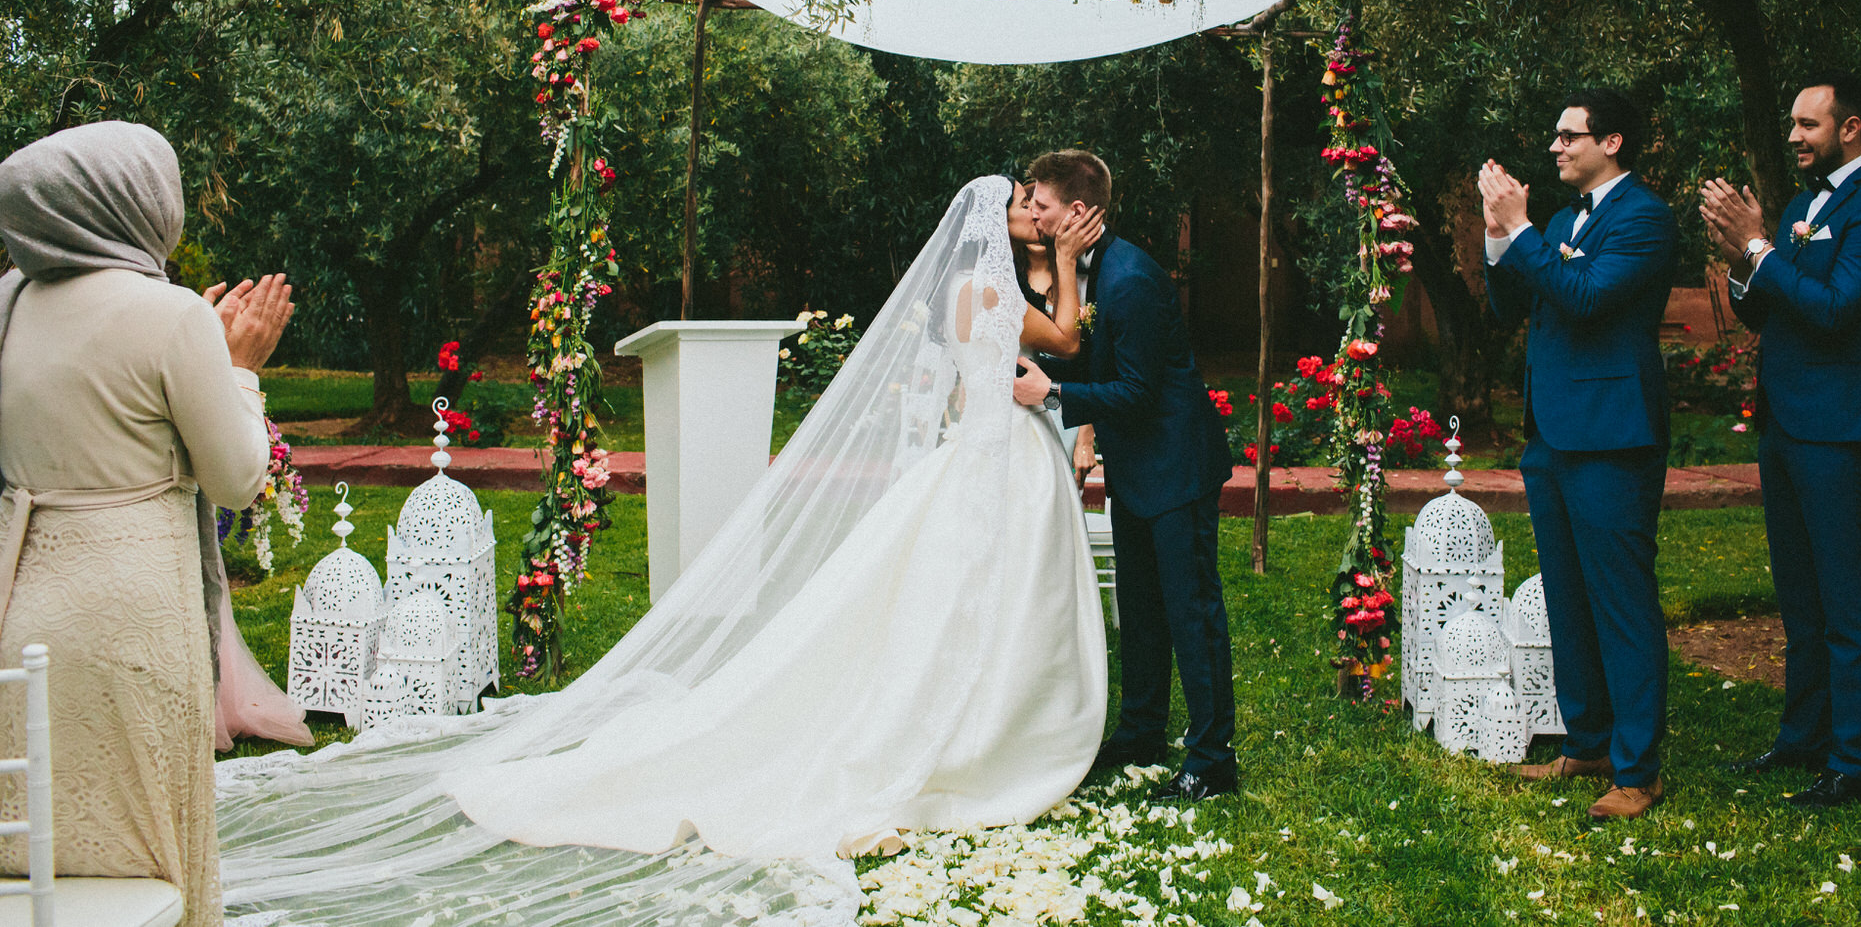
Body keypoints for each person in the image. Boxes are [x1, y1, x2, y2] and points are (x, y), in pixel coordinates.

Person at [214, 175, 1107, 926]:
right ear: (994, 225)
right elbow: (1067, 337)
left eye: (1040, 203)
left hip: (973, 453)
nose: (1035, 211)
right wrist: (1068, 262)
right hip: (991, 456)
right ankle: (983, 727)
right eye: (1024, 204)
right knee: (968, 589)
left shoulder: (969, 292)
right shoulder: (998, 294)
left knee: (954, 592)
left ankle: (980, 710)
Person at [0, 121, 294, 927]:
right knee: (151, 846)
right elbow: (236, 477)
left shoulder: (9, 306)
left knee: (38, 845)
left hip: (21, 606)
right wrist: (236, 368)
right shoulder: (171, 315)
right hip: (134, 621)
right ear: (133, 204)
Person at [1701, 72, 1861, 807]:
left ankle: (1853, 761)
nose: (1793, 136)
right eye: (1792, 123)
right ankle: (1802, 737)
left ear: (1850, 128)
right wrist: (1742, 262)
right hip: (1784, 421)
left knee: (1847, 600)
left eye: (1808, 124)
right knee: (1799, 598)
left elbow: (1835, 309)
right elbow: (1771, 311)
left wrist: (1759, 244)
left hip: (1839, 428)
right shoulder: (1800, 207)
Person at [1013, 149, 1238, 803]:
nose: (1034, 214)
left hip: (1176, 467)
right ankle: (1141, 731)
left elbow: (1137, 391)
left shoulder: (1131, 277)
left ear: (1077, 211)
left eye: (1042, 204)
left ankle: (1212, 759)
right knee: (1140, 609)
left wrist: (1054, 394)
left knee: (1191, 612)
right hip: (1139, 469)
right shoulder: (1089, 268)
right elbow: (1094, 357)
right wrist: (1050, 372)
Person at [1478, 90, 1677, 822]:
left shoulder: (1645, 218)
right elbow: (1512, 306)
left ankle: (1639, 767)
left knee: (1621, 603)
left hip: (1614, 435)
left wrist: (1522, 228)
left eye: (1569, 135)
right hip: (1552, 434)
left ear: (1612, 141)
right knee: (1569, 597)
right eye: (1556, 135)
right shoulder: (1562, 222)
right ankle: (1588, 740)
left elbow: (1588, 296)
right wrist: (1498, 236)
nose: (1555, 146)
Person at [1008, 182, 1102, 485]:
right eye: (1026, 206)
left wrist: (1086, 437)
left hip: (1067, 407)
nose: (1034, 217)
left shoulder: (1080, 280)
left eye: (1039, 209)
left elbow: (1093, 362)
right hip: (1018, 409)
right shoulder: (1006, 283)